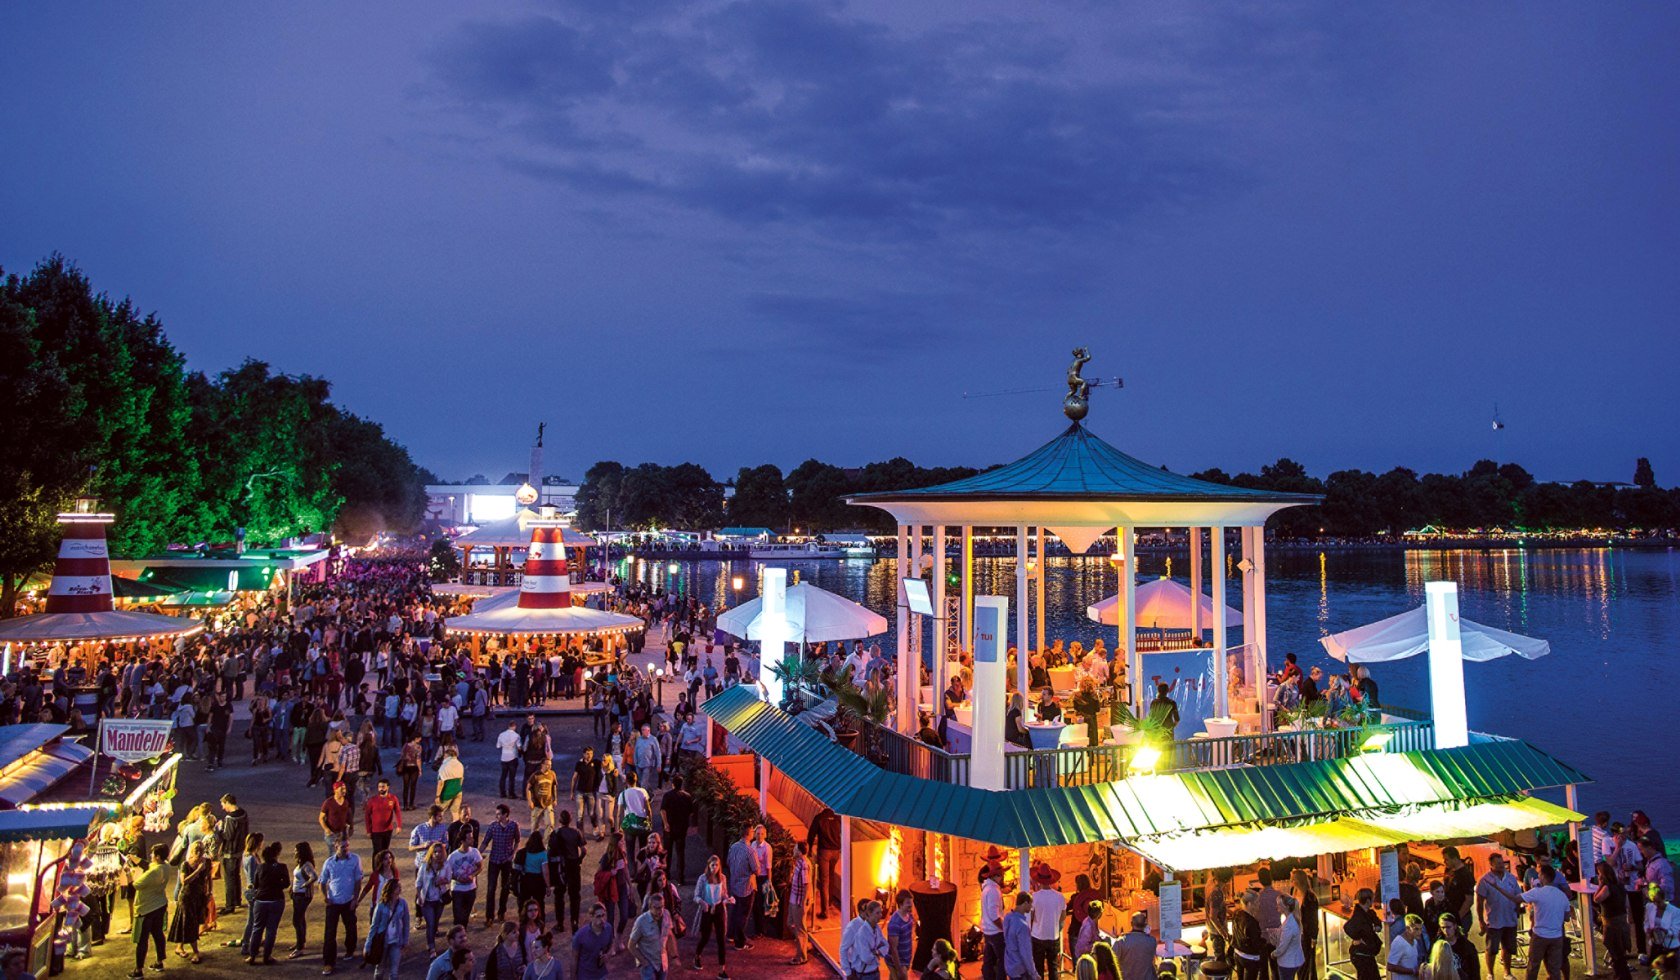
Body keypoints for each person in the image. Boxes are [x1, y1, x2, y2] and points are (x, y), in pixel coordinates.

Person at [319, 836, 365, 976]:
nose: (346, 849)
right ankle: (329, 962)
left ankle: (350, 949)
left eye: (347, 846)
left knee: (351, 927)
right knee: (329, 933)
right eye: (343, 847)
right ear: (336, 847)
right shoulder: (329, 863)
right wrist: (325, 897)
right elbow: (322, 881)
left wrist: (355, 899)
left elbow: (358, 881)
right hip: (334, 902)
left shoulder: (355, 860)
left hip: (348, 901)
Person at [130, 844, 176, 979]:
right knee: (157, 934)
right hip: (160, 904)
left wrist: (132, 873)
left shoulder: (153, 872)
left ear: (157, 856)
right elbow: (149, 865)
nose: (150, 856)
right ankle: (159, 962)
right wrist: (135, 859)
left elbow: (136, 884)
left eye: (153, 854)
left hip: (146, 908)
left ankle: (138, 970)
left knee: (142, 940)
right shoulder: (165, 866)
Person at [1521, 866, 1570, 980]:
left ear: (1542, 876)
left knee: (1534, 965)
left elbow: (1519, 898)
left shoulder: (1538, 891)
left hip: (1540, 934)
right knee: (1554, 967)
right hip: (1555, 934)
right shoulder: (1561, 895)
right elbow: (1567, 917)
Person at [167, 841, 211, 963]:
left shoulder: (206, 862)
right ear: (191, 852)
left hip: (199, 896)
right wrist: (197, 871)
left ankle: (179, 946)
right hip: (186, 897)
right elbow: (184, 881)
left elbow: (208, 878)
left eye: (200, 851)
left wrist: (209, 892)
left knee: (191, 922)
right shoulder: (185, 865)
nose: (198, 854)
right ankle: (196, 951)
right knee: (188, 923)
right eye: (196, 851)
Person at [247, 840, 290, 964]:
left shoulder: (260, 867)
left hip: (261, 900)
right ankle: (267, 956)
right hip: (276, 900)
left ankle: (252, 956)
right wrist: (276, 885)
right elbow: (286, 883)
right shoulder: (282, 867)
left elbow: (255, 884)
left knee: (257, 928)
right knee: (271, 929)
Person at [484, 804, 523, 925]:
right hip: (494, 861)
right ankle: (489, 916)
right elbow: (485, 842)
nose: (497, 816)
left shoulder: (513, 826)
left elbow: (517, 840)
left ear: (506, 815)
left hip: (506, 861)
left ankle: (501, 912)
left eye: (499, 814)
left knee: (505, 888)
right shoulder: (493, 827)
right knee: (491, 889)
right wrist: (477, 854)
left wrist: (513, 854)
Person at [365, 878, 411, 980]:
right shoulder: (381, 905)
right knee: (380, 969)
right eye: (397, 887)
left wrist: (405, 940)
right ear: (391, 889)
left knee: (394, 972)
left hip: (396, 940)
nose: (400, 888)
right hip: (382, 941)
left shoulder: (403, 903)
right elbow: (374, 925)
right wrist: (368, 945)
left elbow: (406, 923)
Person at [693, 853, 731, 974]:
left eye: (716, 865)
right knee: (705, 936)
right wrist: (702, 902)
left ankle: (722, 969)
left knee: (721, 939)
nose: (714, 868)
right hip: (707, 909)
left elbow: (724, 894)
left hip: (719, 908)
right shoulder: (703, 878)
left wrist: (727, 899)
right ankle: (697, 955)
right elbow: (696, 896)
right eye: (712, 865)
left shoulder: (723, 878)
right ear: (708, 866)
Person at [549, 810, 587, 932]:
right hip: (574, 865)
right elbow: (584, 850)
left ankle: (560, 923)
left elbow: (550, 852)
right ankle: (574, 922)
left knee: (559, 895)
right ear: (570, 820)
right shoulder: (576, 832)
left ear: (560, 820)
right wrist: (579, 859)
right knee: (575, 895)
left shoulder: (555, 833)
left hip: (560, 866)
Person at [1028, 863, 1067, 980]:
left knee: (1038, 967)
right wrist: (1056, 924)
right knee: (1053, 966)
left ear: (1038, 880)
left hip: (1037, 935)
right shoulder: (1060, 897)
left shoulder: (1034, 897)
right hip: (1053, 935)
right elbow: (1063, 915)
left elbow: (1031, 916)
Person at [628, 891, 676, 980]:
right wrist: (643, 961)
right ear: (650, 907)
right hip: (648, 962)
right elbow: (631, 945)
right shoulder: (641, 922)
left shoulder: (666, 915)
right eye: (656, 908)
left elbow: (669, 935)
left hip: (662, 960)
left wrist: (674, 956)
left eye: (662, 907)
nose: (660, 911)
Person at [443, 830, 483, 929]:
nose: (472, 840)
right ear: (462, 841)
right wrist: (457, 878)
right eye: (469, 838)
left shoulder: (475, 852)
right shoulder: (453, 856)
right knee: (458, 915)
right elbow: (447, 873)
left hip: (471, 888)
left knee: (466, 915)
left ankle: (462, 932)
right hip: (457, 889)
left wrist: (472, 875)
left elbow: (480, 867)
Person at [726, 825, 757, 950]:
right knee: (743, 914)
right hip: (746, 887)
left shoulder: (733, 847)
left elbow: (728, 862)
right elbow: (757, 870)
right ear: (749, 833)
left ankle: (731, 934)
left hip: (734, 884)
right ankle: (740, 942)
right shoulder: (750, 851)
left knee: (734, 911)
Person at [843, 899, 890, 980]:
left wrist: (876, 952)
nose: (880, 915)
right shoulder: (854, 928)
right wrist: (848, 972)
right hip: (863, 973)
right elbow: (865, 957)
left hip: (875, 971)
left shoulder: (876, 928)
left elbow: (886, 946)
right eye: (877, 913)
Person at [219, 794, 250, 914]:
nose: (222, 808)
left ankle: (229, 905)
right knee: (236, 875)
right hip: (240, 849)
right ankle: (237, 900)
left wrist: (220, 830)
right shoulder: (243, 813)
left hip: (230, 851)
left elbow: (228, 835)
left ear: (227, 802)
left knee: (229, 879)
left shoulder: (230, 818)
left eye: (223, 804)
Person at [659, 775, 694, 882]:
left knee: (667, 853)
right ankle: (680, 877)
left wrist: (666, 824)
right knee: (680, 853)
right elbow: (691, 812)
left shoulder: (667, 796)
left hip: (669, 828)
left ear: (673, 784)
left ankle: (667, 874)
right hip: (681, 828)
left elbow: (663, 810)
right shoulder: (687, 796)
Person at [289, 841, 319, 959]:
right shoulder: (300, 864)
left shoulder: (307, 865)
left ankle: (299, 947)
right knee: (300, 919)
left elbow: (314, 876)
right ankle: (301, 942)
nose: (294, 852)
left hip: (303, 895)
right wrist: (293, 888)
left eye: (296, 850)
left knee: (296, 920)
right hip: (297, 894)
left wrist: (305, 885)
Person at [1345, 889, 1382, 980]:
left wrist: (1377, 926)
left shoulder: (1367, 913)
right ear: (1368, 901)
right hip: (1361, 954)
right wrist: (1357, 939)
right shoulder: (1358, 916)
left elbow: (1377, 921)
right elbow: (1347, 927)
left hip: (1365, 953)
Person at [1003, 892, 1040, 980]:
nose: (1031, 907)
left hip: (1010, 965)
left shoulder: (1007, 918)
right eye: (1030, 904)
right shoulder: (1022, 925)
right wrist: (1034, 973)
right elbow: (1025, 952)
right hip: (1020, 968)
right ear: (1025, 903)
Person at [574, 903, 615, 980]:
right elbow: (574, 958)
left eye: (603, 915)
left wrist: (608, 954)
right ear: (591, 917)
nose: (602, 919)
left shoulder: (609, 928)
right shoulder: (580, 935)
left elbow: (611, 945)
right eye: (598, 916)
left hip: (601, 974)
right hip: (585, 976)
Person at [787, 841, 812, 966]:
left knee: (800, 928)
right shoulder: (798, 863)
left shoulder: (804, 865)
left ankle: (801, 956)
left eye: (795, 848)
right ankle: (804, 944)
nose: (793, 850)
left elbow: (806, 885)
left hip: (798, 901)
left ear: (800, 851)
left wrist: (803, 903)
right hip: (794, 899)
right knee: (790, 924)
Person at [981, 863, 1007, 980]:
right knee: (1002, 960)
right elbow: (994, 915)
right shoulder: (993, 891)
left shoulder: (986, 888)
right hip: (995, 932)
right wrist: (1004, 928)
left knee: (989, 961)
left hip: (987, 931)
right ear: (997, 876)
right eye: (1002, 875)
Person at [365, 778, 403, 858]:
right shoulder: (372, 800)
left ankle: (384, 868)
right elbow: (367, 816)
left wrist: (399, 825)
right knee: (377, 852)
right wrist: (368, 830)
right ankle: (376, 869)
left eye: (383, 787)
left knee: (385, 851)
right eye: (379, 787)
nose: (381, 789)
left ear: (388, 787)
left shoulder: (393, 799)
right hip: (376, 831)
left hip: (388, 830)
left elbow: (398, 812)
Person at [1647, 884, 1680, 975]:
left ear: (1664, 899)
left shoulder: (1675, 911)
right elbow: (1646, 923)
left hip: (1671, 948)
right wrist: (1648, 930)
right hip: (1656, 946)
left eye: (1658, 902)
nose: (1656, 905)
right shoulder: (1650, 907)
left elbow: (1675, 931)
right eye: (1654, 902)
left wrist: (1664, 930)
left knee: (1672, 974)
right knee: (1656, 972)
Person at [1233, 893, 1267, 980]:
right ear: (1249, 904)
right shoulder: (1251, 922)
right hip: (1249, 957)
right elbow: (1256, 944)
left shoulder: (1237, 914)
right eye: (1256, 903)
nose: (1258, 906)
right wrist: (1265, 941)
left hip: (1237, 952)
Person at [1436, 914, 1479, 980]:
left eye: (1448, 927)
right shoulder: (1437, 945)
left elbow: (1475, 969)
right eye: (1443, 927)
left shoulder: (1466, 946)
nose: (1446, 931)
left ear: (1455, 926)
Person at [887, 889, 917, 980]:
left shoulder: (909, 916)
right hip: (897, 961)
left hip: (906, 959)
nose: (911, 905)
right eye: (908, 902)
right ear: (900, 904)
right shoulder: (895, 923)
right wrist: (899, 969)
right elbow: (893, 948)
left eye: (911, 902)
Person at [1274, 896, 1304, 980]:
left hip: (1288, 962)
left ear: (1286, 907)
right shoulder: (1293, 919)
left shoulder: (1288, 925)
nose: (1277, 906)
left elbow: (1283, 946)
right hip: (1295, 959)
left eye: (1279, 904)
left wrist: (1274, 954)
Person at [527, 759, 559, 833]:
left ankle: (547, 843)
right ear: (542, 765)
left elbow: (554, 786)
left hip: (548, 803)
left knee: (550, 824)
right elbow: (528, 788)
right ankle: (534, 843)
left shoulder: (552, 774)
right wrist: (530, 801)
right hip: (537, 804)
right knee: (535, 827)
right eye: (547, 764)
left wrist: (555, 799)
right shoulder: (535, 775)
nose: (549, 766)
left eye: (550, 765)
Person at [1387, 914, 1423, 979]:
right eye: (1416, 929)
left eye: (1420, 929)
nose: (1420, 932)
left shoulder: (1415, 941)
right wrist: (1413, 971)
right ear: (1408, 928)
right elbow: (1390, 966)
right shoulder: (1399, 942)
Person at [436, 745, 465, 819]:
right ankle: (457, 828)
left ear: (447, 755)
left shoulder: (444, 766)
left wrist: (438, 796)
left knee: (439, 811)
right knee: (455, 812)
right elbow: (461, 779)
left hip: (447, 792)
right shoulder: (460, 764)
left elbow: (440, 783)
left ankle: (437, 828)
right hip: (458, 791)